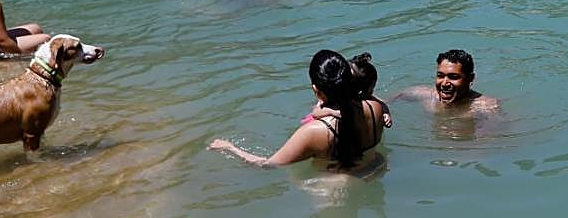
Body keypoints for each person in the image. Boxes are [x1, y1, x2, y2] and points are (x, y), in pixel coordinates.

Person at [209, 49, 387, 171]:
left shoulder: (314, 132)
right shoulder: (376, 108)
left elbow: (268, 165)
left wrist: (230, 148)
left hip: (332, 186)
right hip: (374, 168)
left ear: (316, 89)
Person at [303, 52, 393, 129]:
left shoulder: (359, 97)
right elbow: (316, 112)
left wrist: (386, 112)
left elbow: (381, 103)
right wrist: (333, 112)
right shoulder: (364, 101)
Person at [395, 49, 499, 113]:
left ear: (470, 79)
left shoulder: (485, 106)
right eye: (440, 76)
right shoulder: (423, 94)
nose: (444, 84)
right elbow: (387, 101)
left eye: (453, 77)